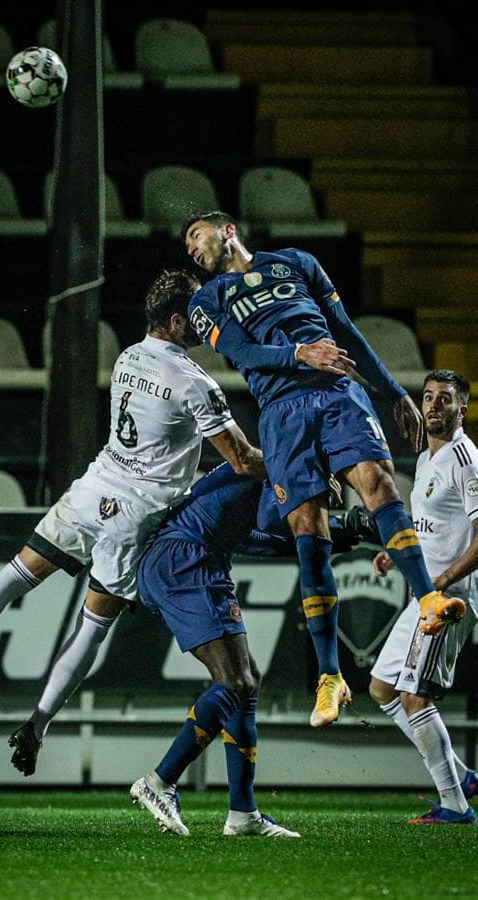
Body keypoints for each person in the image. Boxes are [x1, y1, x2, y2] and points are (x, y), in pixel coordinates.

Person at [0, 270, 268, 744]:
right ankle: (37, 723)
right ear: (176, 320)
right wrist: (292, 463)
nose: (209, 324)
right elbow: (242, 460)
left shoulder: (128, 358)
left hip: (92, 490)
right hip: (134, 516)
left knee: (11, 577)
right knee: (92, 626)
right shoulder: (194, 382)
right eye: (201, 316)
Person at [182, 212, 466, 730]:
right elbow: (243, 351)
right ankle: (330, 676)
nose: (193, 251)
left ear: (226, 230)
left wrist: (392, 390)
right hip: (283, 410)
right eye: (188, 247)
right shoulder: (206, 301)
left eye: (196, 238)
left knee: (378, 482)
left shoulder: (297, 263)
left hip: (338, 392)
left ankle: (428, 597)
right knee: (306, 530)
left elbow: (345, 331)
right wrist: (299, 352)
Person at [129, 461, 377, 836]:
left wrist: (334, 533)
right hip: (185, 560)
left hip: (198, 560)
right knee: (235, 683)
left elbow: (255, 536)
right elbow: (275, 519)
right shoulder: (280, 460)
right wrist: (322, 517)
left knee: (246, 682)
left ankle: (242, 814)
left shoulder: (270, 465)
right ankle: (160, 780)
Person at [369, 370, 478, 824]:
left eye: (444, 399)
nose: (433, 405)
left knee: (415, 698)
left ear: (462, 409)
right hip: (424, 593)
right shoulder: (428, 459)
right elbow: (432, 527)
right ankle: (461, 775)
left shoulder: (465, 460)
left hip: (449, 600)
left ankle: (455, 804)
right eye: (428, 397)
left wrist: (444, 580)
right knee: (381, 689)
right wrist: (399, 552)